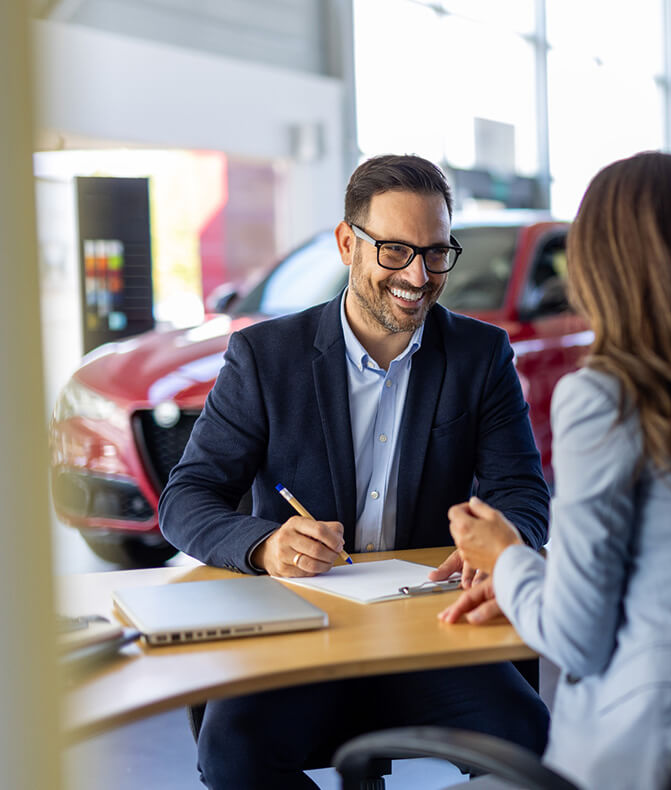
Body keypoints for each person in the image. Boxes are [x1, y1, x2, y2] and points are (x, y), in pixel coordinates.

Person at [158, 154, 551, 789]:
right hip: (305, 624)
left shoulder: (480, 355)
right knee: (234, 751)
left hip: (431, 626)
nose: (419, 276)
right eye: (395, 251)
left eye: (435, 252)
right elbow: (187, 498)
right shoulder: (265, 357)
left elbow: (524, 493)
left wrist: (503, 544)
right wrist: (264, 544)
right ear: (347, 243)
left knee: (522, 729)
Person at [439, 151, 671, 789]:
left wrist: (505, 557)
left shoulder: (606, 397)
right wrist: (532, 577)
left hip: (649, 752)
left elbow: (575, 641)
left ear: (603, 265)